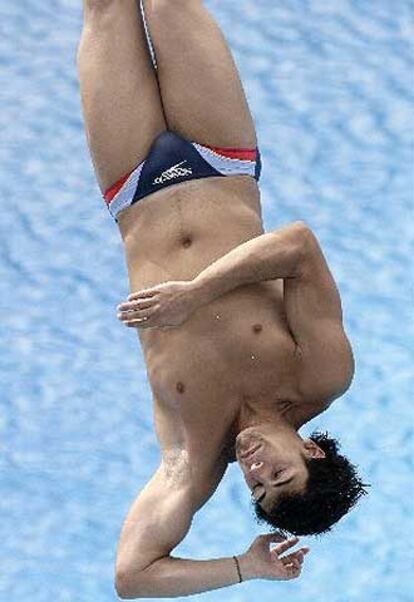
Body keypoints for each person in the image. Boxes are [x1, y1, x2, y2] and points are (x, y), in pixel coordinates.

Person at [77, 0, 368, 598]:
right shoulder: (322, 375)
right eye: (279, 473)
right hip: (218, 158)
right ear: (309, 448)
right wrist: (197, 292)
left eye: (258, 488)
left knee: (105, 8)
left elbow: (132, 577)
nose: (257, 471)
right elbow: (298, 246)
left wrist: (246, 567)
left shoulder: (192, 457)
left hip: (130, 187)